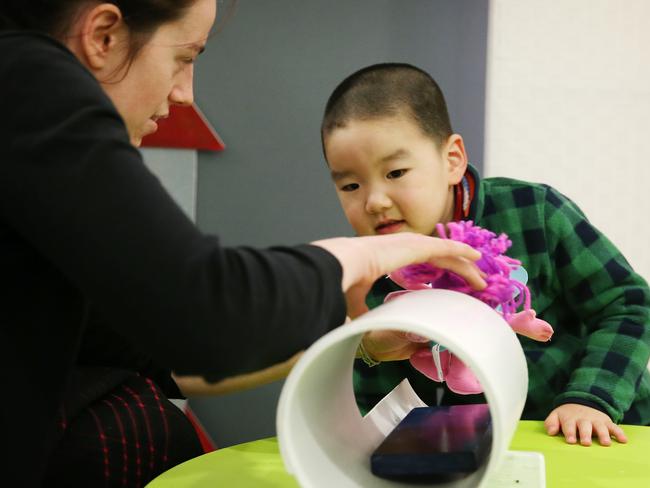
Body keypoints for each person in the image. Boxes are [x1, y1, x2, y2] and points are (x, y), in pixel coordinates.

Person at [0, 4, 488, 487]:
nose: (185, 93)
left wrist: (354, 340)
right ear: (104, 35)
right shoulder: (26, 82)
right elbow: (207, 313)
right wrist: (366, 255)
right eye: (185, 57)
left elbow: (172, 348)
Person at [320, 62, 650, 447]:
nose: (374, 201)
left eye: (395, 173)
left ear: (452, 159)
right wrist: (368, 350)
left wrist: (591, 399)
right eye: (351, 185)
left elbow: (627, 304)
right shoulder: (365, 270)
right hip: (476, 451)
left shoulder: (535, 211)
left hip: (592, 432)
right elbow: (376, 408)